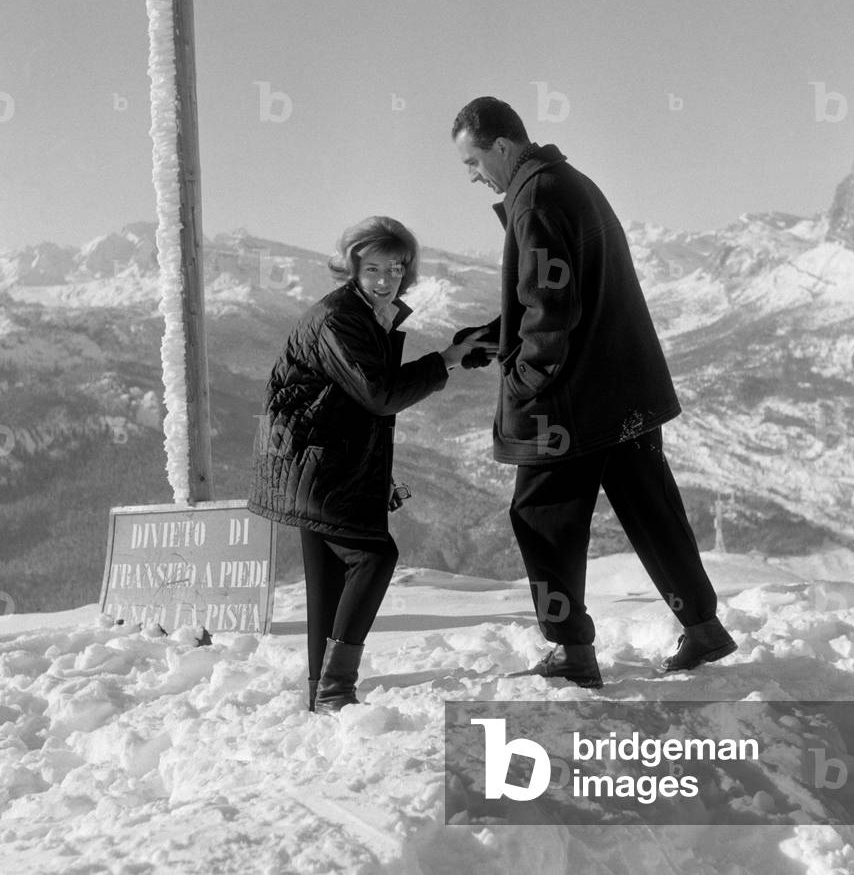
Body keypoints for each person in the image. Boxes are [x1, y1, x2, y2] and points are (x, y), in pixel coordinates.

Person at [450, 96, 737, 687]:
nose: (474, 177)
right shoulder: (569, 181)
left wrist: (527, 381)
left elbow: (551, 307)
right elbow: (563, 290)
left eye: (472, 162)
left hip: (570, 403)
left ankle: (571, 653)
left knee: (539, 518)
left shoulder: (533, 198)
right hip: (623, 389)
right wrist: (495, 335)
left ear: (501, 146)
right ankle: (704, 628)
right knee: (651, 508)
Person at [247, 217, 489, 713]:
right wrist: (444, 361)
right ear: (353, 265)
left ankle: (321, 690)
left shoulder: (367, 314)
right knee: (374, 557)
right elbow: (379, 395)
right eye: (373, 267)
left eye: (395, 268)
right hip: (317, 466)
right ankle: (335, 690)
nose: (385, 278)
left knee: (329, 578)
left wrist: (453, 356)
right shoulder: (340, 318)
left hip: (309, 462)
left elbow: (358, 394)